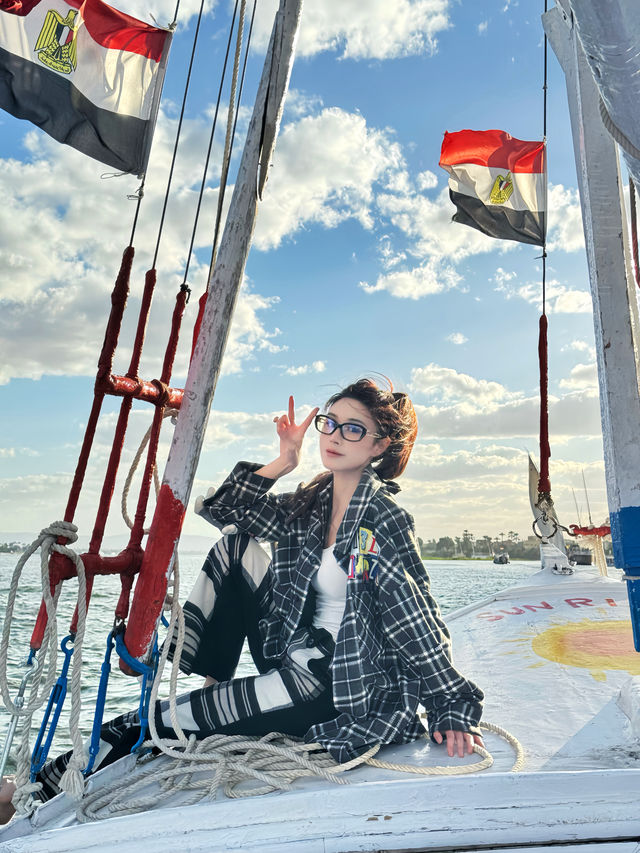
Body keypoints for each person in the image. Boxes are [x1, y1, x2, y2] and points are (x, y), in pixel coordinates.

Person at [0, 377, 483, 820]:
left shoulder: (377, 521)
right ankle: (209, 679)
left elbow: (412, 616)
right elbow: (225, 508)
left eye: (353, 429)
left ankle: (34, 789)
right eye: (329, 422)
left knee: (159, 720)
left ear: (379, 446)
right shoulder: (311, 506)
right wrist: (284, 460)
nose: (334, 436)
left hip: (331, 686)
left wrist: (452, 704)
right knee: (234, 545)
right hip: (292, 651)